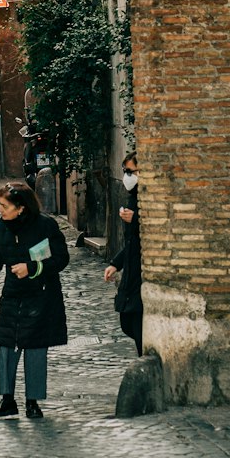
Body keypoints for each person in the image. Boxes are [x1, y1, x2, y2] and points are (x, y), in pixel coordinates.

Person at [0, 181, 70, 419]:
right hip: (13, 294)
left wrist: (32, 268)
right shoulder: (1, 227)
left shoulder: (45, 225)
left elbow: (61, 259)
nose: (0, 209)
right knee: (6, 346)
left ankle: (32, 402)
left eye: (4, 205)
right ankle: (7, 400)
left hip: (41, 295)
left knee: (35, 349)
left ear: (21, 208)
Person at [105, 152, 143, 355]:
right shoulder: (132, 199)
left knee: (136, 324)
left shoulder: (146, 200)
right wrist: (115, 263)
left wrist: (136, 219)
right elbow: (130, 242)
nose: (126, 176)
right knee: (128, 321)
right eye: (125, 172)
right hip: (130, 270)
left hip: (141, 273)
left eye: (130, 171)